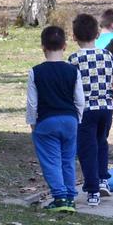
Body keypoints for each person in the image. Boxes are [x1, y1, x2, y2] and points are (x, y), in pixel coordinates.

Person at [68, 12, 113, 206]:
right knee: (101, 142)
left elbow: (70, 87)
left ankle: (92, 190)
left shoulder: (74, 59)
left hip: (85, 110)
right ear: (97, 35)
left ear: (74, 37)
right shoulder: (107, 54)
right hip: (106, 108)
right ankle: (103, 180)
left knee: (86, 149)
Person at [27, 25, 83, 212]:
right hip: (70, 120)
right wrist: (78, 119)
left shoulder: (36, 72)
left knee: (51, 161)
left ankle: (59, 198)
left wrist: (32, 123)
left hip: (47, 121)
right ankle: (70, 197)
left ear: (43, 47)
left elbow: (32, 103)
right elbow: (80, 100)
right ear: (65, 46)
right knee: (68, 160)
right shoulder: (73, 71)